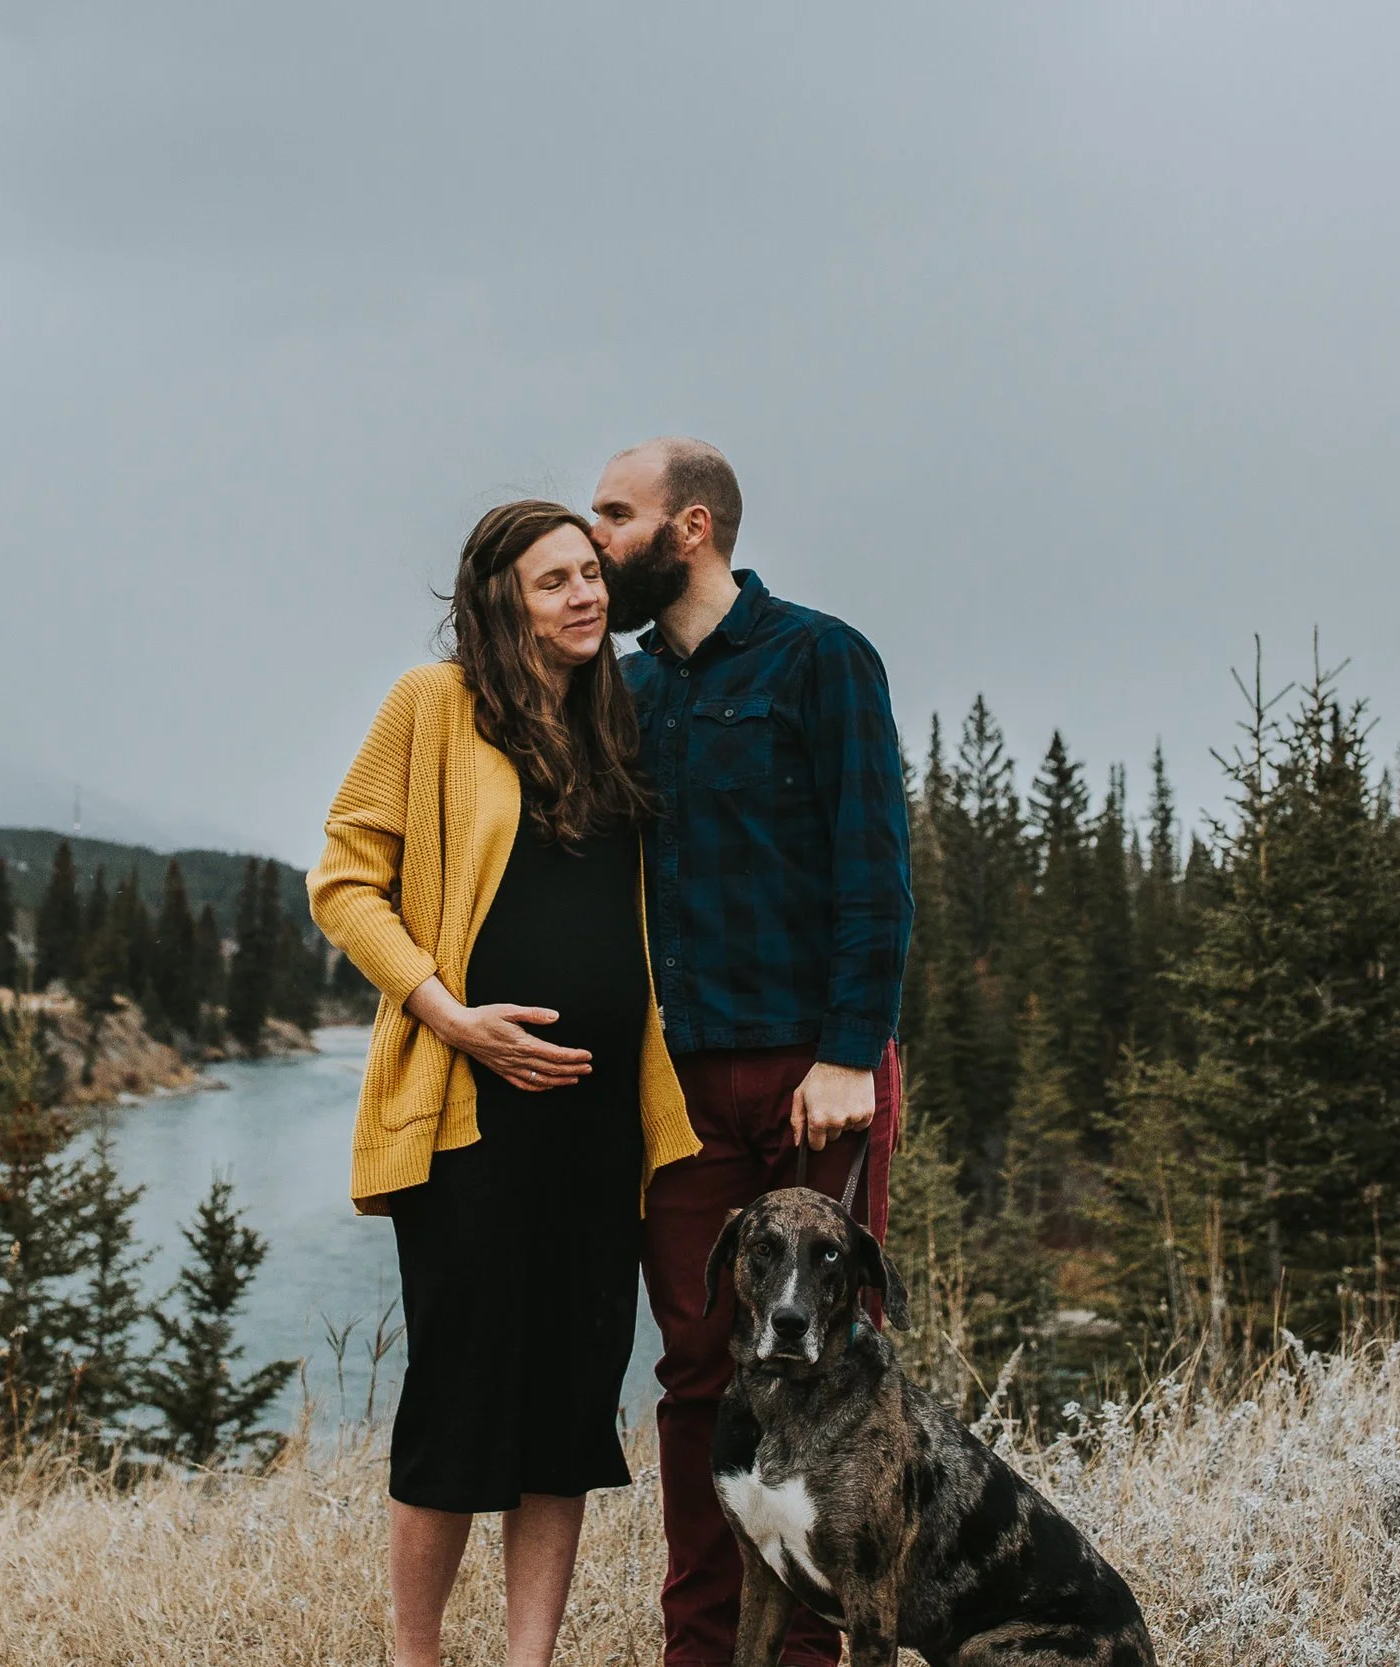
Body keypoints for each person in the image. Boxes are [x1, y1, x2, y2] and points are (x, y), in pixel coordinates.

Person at [308, 500, 702, 1667]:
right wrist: (451, 1015)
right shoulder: (430, 705)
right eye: (553, 581)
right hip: (471, 1116)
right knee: (460, 1391)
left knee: (571, 1398)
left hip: (597, 1123)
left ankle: (529, 1658)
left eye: (590, 574)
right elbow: (343, 878)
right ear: (499, 598)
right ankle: (416, 1654)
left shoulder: (615, 719)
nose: (584, 595)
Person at [589, 438, 915, 1667]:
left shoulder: (819, 656)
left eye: (613, 514)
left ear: (690, 527)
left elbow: (874, 868)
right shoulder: (620, 690)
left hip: (807, 1081)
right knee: (693, 1371)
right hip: (669, 1090)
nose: (594, 536)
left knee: (818, 1363)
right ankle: (702, 1647)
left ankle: (809, 1650)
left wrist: (848, 1053)